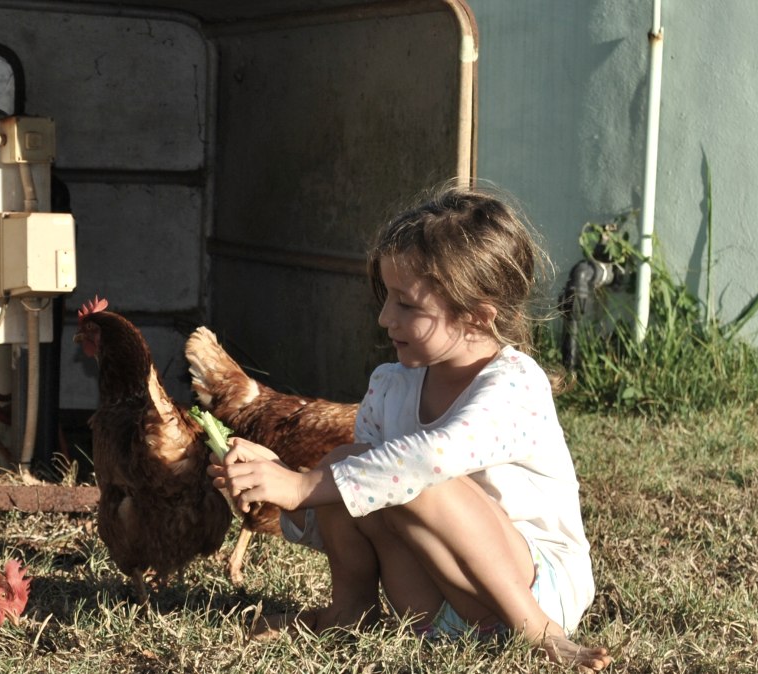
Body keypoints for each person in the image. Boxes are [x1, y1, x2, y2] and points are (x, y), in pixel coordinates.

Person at [208, 185, 612, 671]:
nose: (384, 318)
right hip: (430, 608)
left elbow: (426, 462)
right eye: (386, 298)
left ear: (476, 317)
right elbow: (356, 501)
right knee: (350, 463)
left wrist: (303, 484)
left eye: (406, 304)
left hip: (536, 589)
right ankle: (348, 611)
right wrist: (280, 490)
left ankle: (539, 634)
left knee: (412, 477)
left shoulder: (515, 383)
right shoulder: (390, 387)